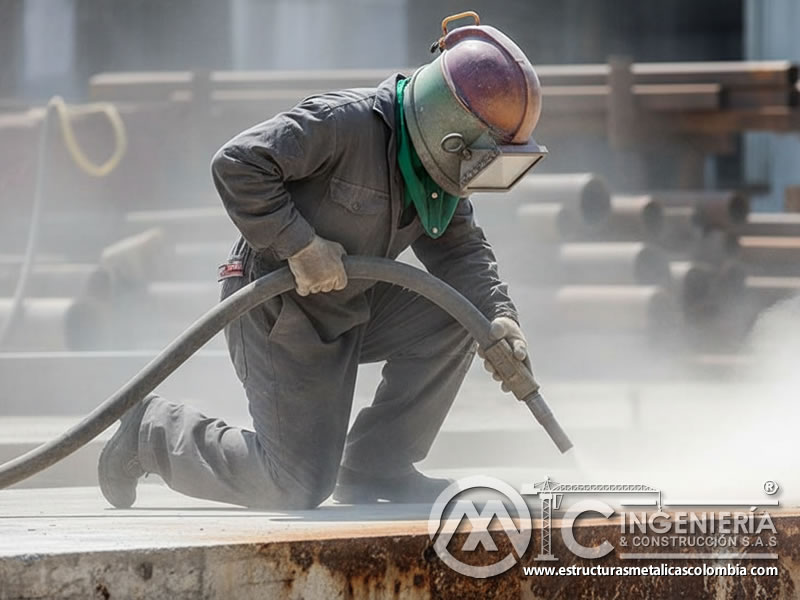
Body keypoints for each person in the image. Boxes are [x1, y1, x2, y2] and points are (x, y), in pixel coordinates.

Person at [98, 13, 546, 509]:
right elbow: (238, 162)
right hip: (277, 305)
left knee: (463, 316)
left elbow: (461, 251)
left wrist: (501, 319)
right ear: (451, 132)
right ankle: (154, 431)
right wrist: (299, 244)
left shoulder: (440, 174)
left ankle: (378, 465)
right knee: (294, 484)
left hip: (350, 301)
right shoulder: (343, 123)